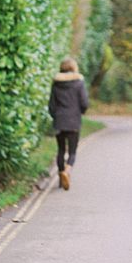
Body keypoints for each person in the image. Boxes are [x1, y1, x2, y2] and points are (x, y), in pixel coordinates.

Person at [48, 57, 89, 190]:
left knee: (60, 150)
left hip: (59, 121)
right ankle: (67, 171)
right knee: (72, 151)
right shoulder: (79, 83)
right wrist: (80, 112)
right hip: (73, 121)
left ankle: (61, 177)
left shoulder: (56, 83)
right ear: (74, 68)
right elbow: (84, 103)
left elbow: (51, 106)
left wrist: (56, 116)